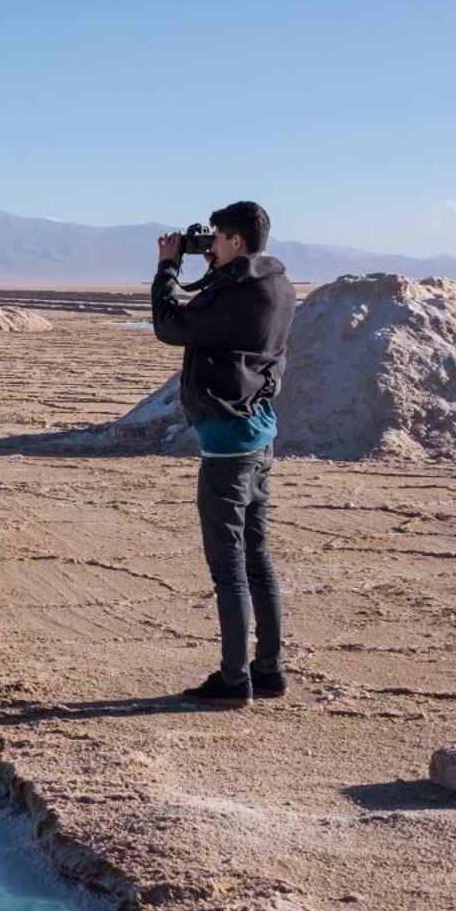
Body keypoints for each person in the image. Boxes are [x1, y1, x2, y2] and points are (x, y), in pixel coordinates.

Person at [151, 201, 297, 708]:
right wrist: (206, 269)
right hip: (259, 435)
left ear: (236, 240)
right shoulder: (274, 284)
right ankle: (270, 670)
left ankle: (234, 680)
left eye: (214, 238)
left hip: (228, 447)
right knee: (257, 559)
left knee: (229, 566)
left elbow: (171, 325)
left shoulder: (237, 293)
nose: (207, 245)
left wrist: (169, 267)